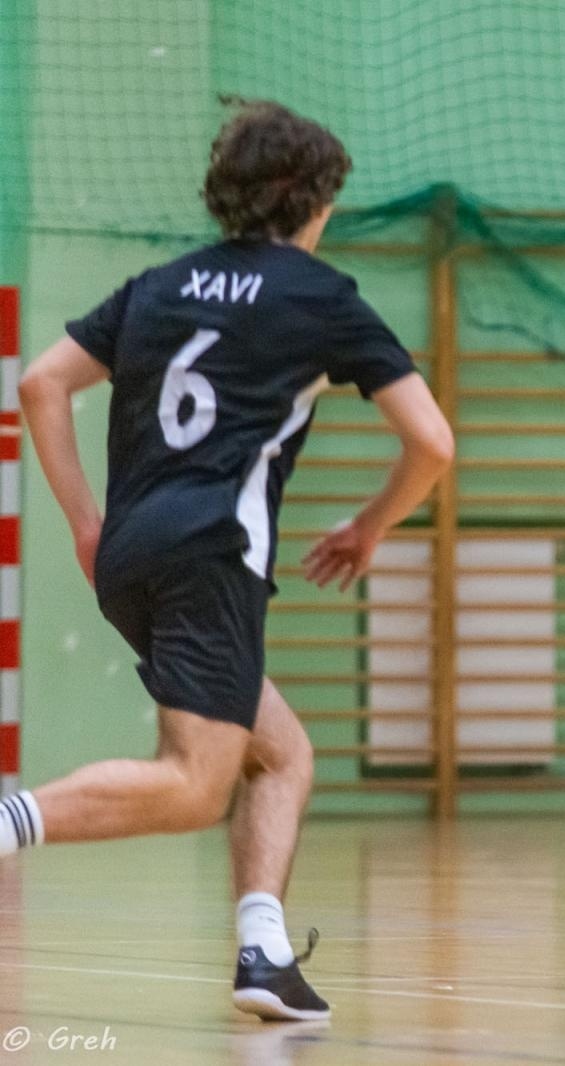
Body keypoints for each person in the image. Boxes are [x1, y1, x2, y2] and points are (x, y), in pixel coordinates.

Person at [0, 100, 454, 1019]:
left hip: (130, 554)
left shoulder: (159, 284)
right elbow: (434, 444)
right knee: (195, 783)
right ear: (315, 202)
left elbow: (41, 383)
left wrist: (88, 524)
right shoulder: (323, 298)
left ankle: (262, 952)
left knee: (280, 756)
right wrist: (370, 525)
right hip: (215, 553)